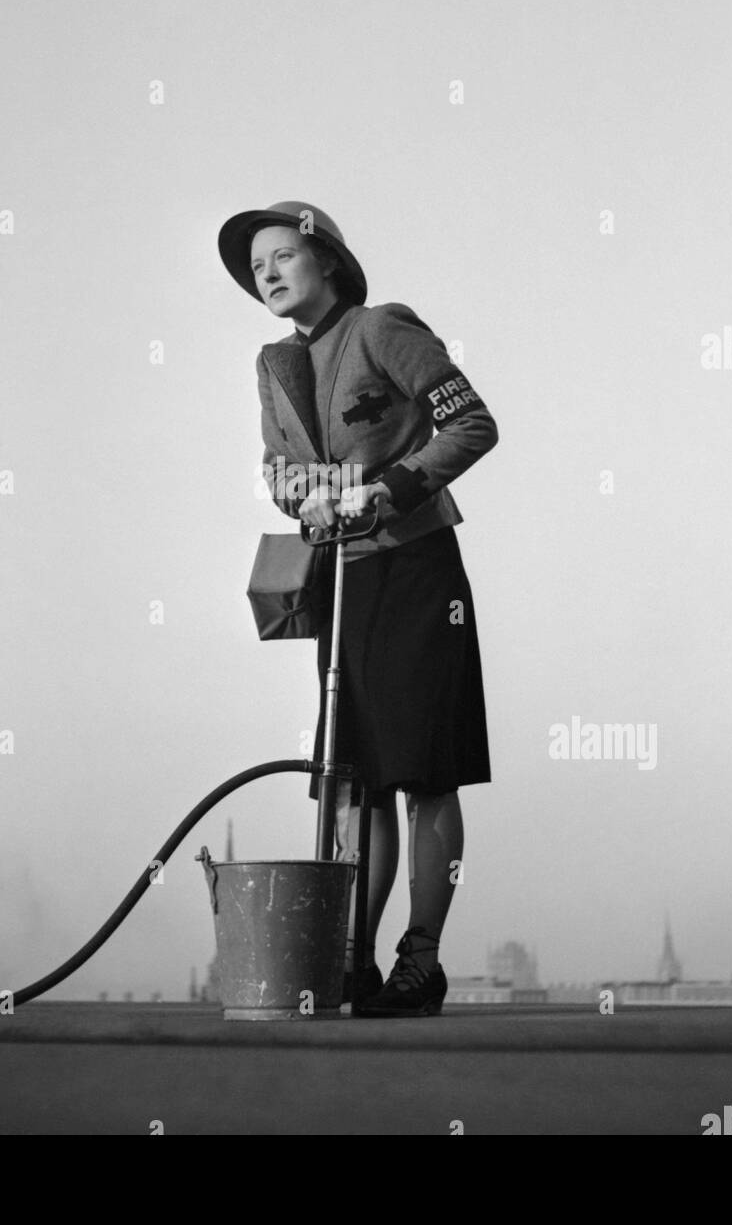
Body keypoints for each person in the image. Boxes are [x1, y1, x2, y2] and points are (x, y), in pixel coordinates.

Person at [217, 200, 499, 1017]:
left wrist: (388, 487)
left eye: (281, 255)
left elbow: (473, 423)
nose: (265, 273)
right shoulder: (273, 365)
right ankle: (352, 959)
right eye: (255, 266)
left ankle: (423, 958)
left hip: (416, 572)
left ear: (329, 260)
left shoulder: (383, 329)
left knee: (425, 773)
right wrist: (298, 493)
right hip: (342, 580)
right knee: (354, 781)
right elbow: (277, 465)